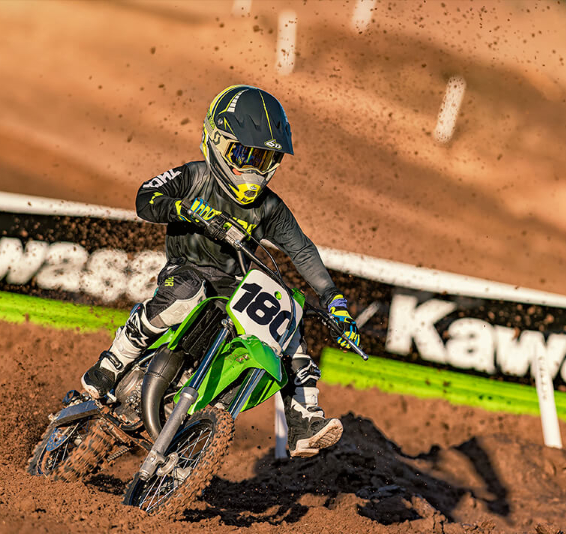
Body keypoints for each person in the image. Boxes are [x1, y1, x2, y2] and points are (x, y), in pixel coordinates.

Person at [81, 85, 361, 457]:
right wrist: (185, 210)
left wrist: (333, 299)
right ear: (217, 141)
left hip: (233, 287)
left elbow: (302, 251)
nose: (254, 170)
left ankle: (303, 420)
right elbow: (145, 198)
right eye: (245, 155)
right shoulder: (195, 176)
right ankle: (113, 363)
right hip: (186, 271)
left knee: (288, 322)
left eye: (264, 159)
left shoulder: (269, 207)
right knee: (187, 292)